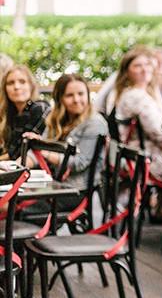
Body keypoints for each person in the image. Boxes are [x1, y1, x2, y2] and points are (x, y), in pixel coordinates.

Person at [23, 74, 108, 211]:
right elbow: (37, 154)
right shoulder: (55, 118)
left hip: (75, 191)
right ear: (60, 98)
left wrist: (45, 152)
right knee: (9, 199)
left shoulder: (94, 123)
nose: (76, 100)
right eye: (69, 95)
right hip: (54, 185)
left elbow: (79, 163)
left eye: (81, 94)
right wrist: (14, 168)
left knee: (12, 207)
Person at [109, 47, 162, 182]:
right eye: (138, 66)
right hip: (148, 160)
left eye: (147, 64)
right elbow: (159, 134)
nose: (145, 69)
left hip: (137, 157)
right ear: (126, 72)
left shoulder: (133, 93)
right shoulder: (136, 97)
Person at [0, 65, 50, 160]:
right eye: (10, 83)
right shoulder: (8, 114)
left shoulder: (39, 108)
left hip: (34, 170)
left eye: (22, 82)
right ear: (4, 89)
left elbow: (18, 152)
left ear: (31, 86)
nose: (16, 87)